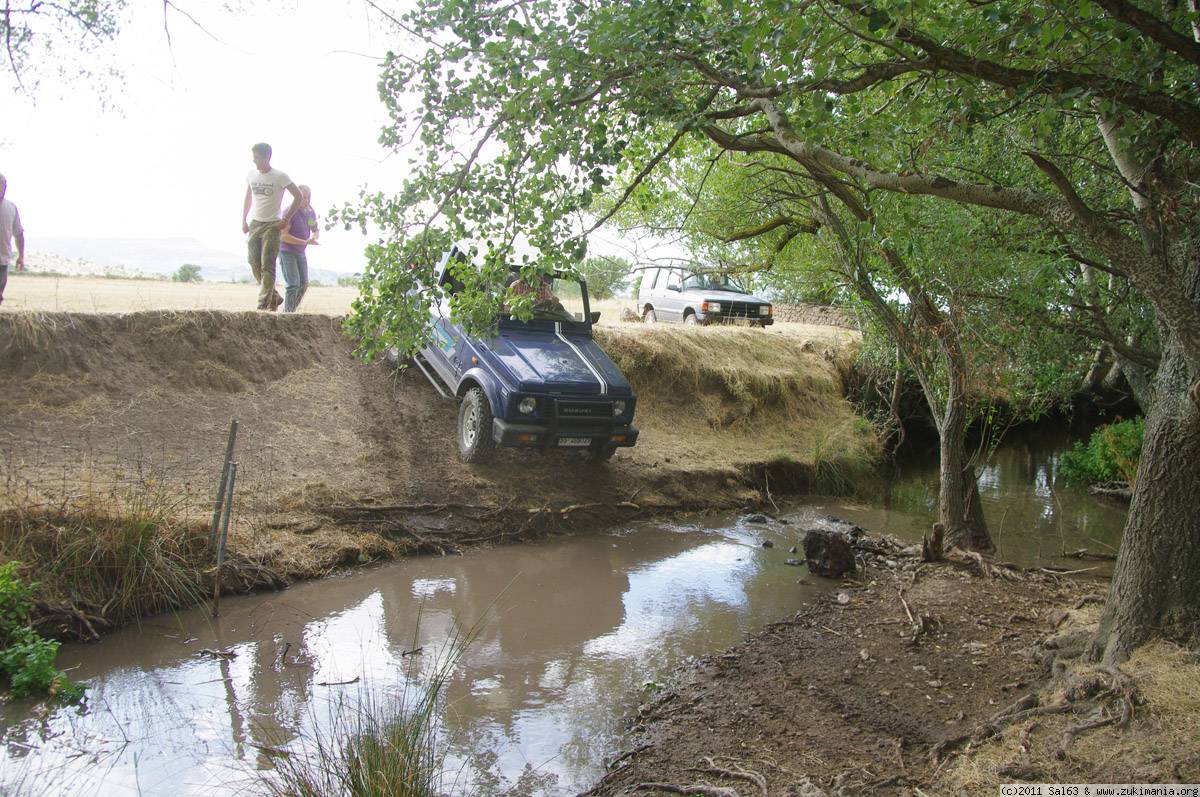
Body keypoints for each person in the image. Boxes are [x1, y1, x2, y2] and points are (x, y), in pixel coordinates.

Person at [242, 143, 303, 311]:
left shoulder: (280, 176)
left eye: (257, 158)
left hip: (272, 224)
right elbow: (248, 198)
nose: (255, 162)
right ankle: (274, 297)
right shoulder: (252, 175)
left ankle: (263, 304)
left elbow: (298, 196)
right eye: (253, 158)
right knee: (253, 262)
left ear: (267, 157)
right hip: (255, 223)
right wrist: (244, 220)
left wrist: (286, 218)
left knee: (267, 264)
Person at [278, 184, 319, 312]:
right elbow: (283, 236)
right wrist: (305, 241)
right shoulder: (289, 212)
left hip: (301, 251)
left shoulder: (310, 212)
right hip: (287, 251)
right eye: (302, 198)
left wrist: (315, 235)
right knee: (293, 284)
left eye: (307, 198)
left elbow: (313, 227)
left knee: (304, 284)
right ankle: (288, 314)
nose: (305, 201)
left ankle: (291, 311)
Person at [0, 173, 25, 307]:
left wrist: (21, 256)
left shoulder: (11, 208)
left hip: (2, 262)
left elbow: (19, 234)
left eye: (2, 185)